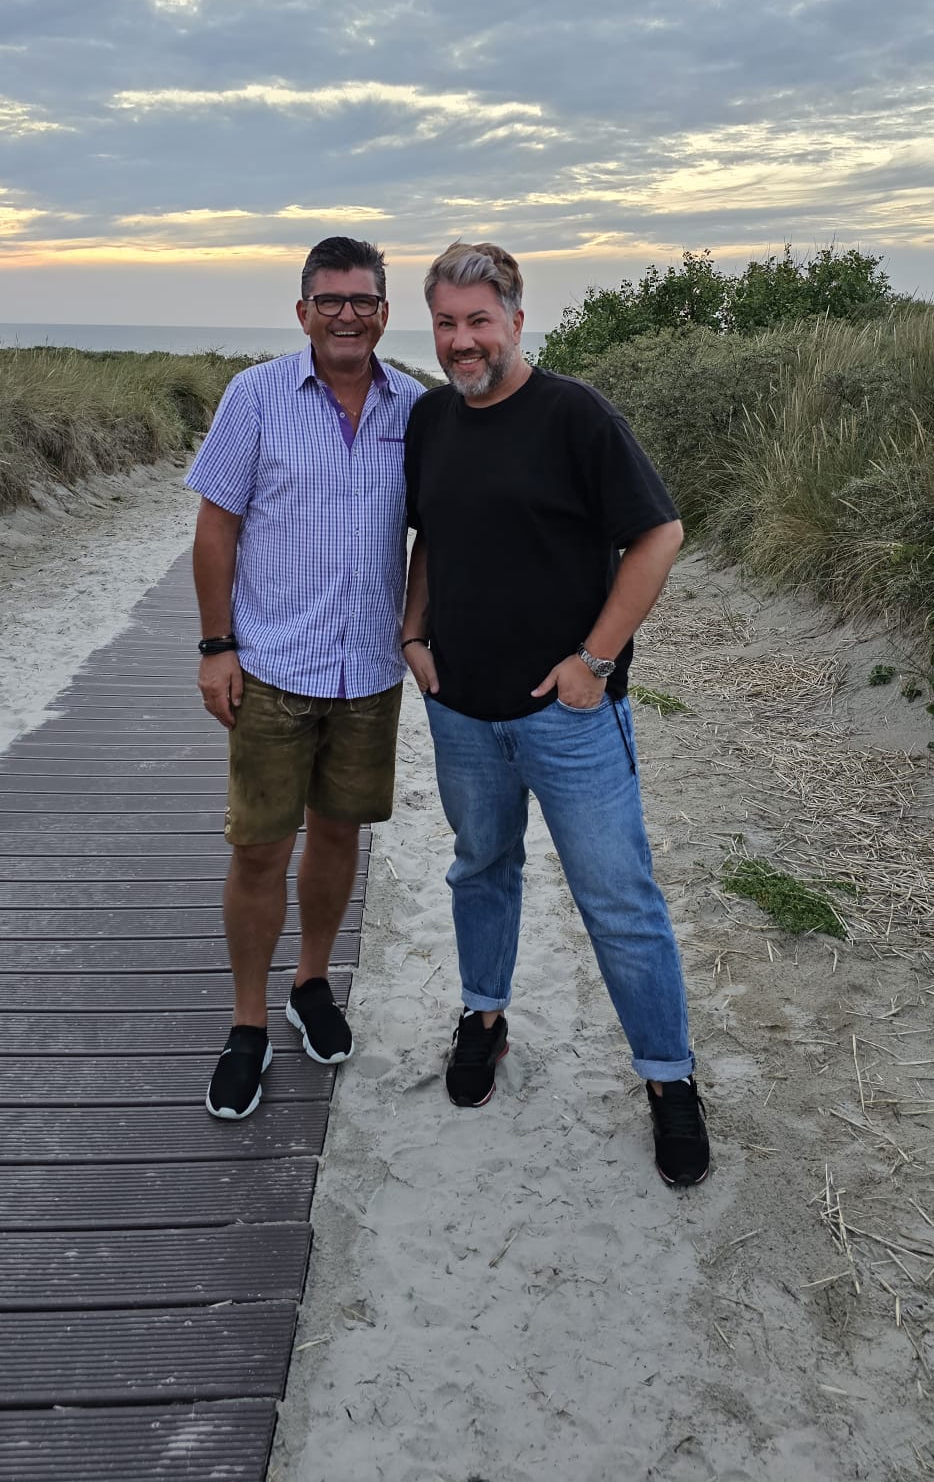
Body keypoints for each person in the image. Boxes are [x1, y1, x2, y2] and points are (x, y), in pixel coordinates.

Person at [402, 241, 709, 1187]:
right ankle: (484, 1018)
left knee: (618, 900)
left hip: (570, 719)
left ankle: (669, 1079)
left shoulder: (575, 414)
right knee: (480, 868)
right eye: (446, 323)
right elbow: (430, 534)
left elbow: (659, 534)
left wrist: (595, 660)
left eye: (478, 320)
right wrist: (414, 631)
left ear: (516, 318)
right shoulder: (429, 419)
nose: (462, 340)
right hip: (462, 711)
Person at [187, 236, 424, 1120]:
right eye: (330, 301)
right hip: (273, 668)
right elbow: (215, 527)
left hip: (369, 672)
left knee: (338, 837)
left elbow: (438, 532)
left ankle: (311, 982)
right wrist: (217, 646)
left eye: (362, 301)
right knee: (258, 848)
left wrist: (416, 629)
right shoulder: (255, 396)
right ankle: (247, 1023)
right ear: (303, 312)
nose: (346, 316)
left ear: (384, 312)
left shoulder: (417, 407)